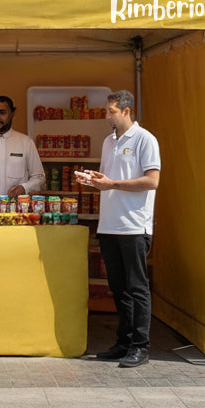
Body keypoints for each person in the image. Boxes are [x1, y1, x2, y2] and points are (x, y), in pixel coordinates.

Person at [75, 89, 160, 369]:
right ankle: (123, 342)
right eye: (107, 110)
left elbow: (152, 181)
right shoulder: (108, 142)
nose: (106, 115)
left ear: (126, 111)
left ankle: (140, 345)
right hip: (110, 224)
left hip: (134, 225)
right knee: (119, 288)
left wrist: (112, 184)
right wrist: (95, 179)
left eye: (111, 111)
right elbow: (109, 179)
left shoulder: (145, 140)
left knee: (137, 288)